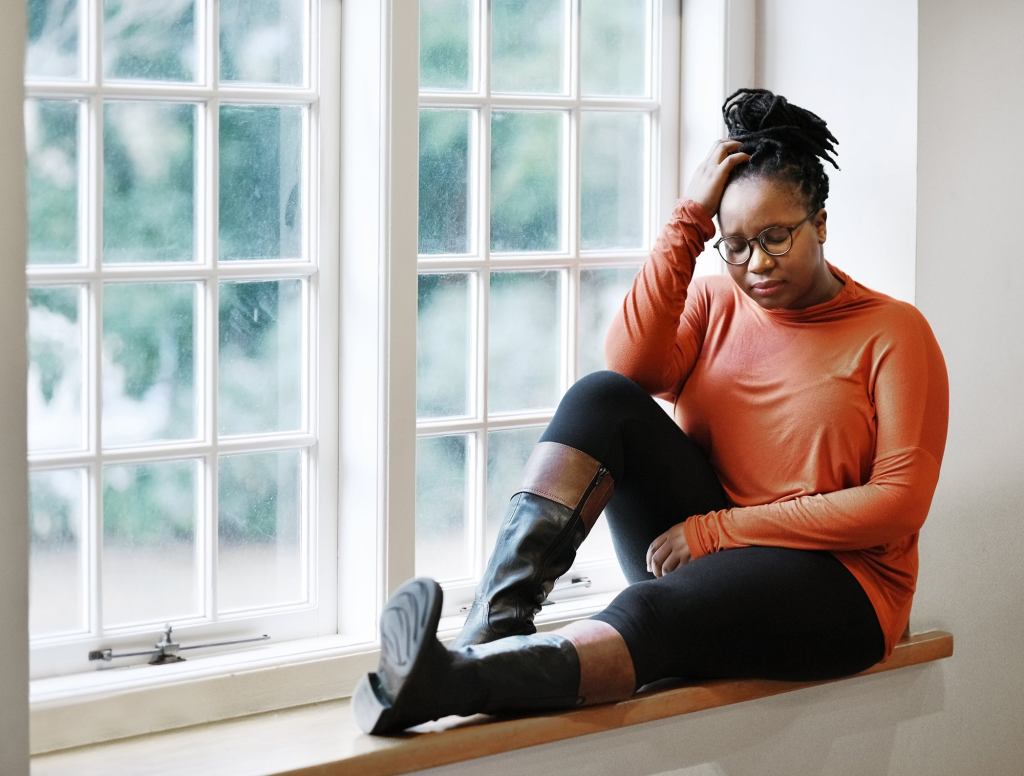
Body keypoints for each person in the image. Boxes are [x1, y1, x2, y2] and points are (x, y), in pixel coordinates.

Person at [353, 88, 949, 736]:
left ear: (822, 223)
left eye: (777, 237)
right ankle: (495, 626)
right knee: (601, 397)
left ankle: (447, 684)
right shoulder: (717, 303)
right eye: (737, 245)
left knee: (649, 613)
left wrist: (717, 532)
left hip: (842, 588)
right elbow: (628, 371)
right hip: (707, 547)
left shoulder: (893, 332)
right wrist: (689, 221)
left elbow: (896, 505)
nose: (758, 264)